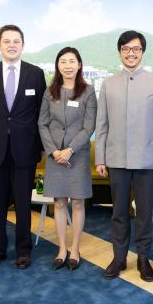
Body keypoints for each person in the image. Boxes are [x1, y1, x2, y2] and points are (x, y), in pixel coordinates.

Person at [95, 30, 153, 282]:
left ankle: (144, 258)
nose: (131, 53)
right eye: (126, 49)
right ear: (119, 52)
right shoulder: (108, 84)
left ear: (142, 52)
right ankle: (119, 257)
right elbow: (101, 124)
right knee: (119, 212)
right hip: (116, 159)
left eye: (135, 49)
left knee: (145, 213)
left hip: (147, 161)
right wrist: (100, 157)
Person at [0, 24, 46, 270]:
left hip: (25, 150)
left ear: (23, 45)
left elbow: (41, 115)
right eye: (7, 41)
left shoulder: (35, 74)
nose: (12, 45)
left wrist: (41, 147)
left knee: (24, 204)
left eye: (16, 41)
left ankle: (23, 251)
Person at [38, 47, 97, 270]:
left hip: (77, 155)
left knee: (79, 202)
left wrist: (70, 149)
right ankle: (61, 249)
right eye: (63, 61)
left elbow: (89, 125)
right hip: (55, 156)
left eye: (72, 61)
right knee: (59, 202)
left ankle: (74, 249)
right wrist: (54, 151)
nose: (68, 65)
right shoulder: (49, 91)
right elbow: (41, 123)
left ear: (79, 65)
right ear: (58, 65)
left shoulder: (88, 91)